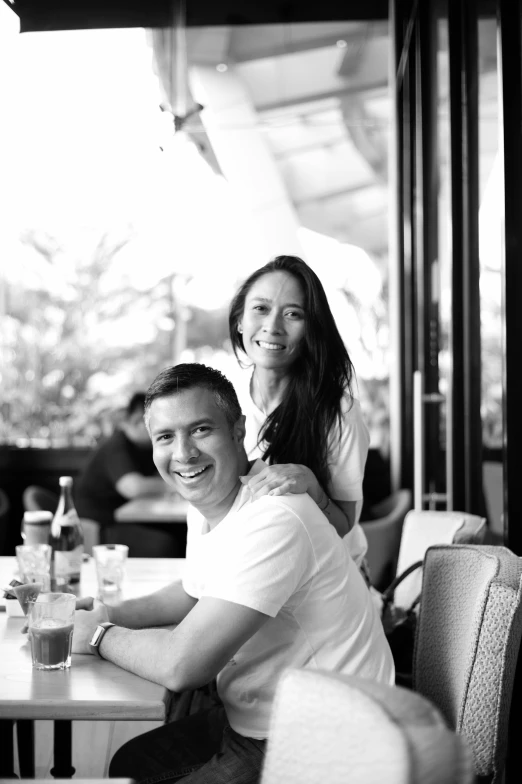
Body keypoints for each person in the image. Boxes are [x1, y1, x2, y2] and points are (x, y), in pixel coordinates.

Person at [72, 364, 394, 784]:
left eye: (201, 429)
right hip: (259, 719)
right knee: (133, 767)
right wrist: (105, 610)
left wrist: (97, 636)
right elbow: (192, 593)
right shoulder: (209, 504)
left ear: (238, 430)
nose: (184, 453)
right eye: (165, 437)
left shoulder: (276, 517)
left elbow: (182, 666)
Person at [228, 255, 370, 569]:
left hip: (327, 576)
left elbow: (345, 523)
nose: (273, 327)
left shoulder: (338, 411)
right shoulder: (223, 399)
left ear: (311, 329)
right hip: (251, 568)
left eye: (293, 314)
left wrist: (311, 484)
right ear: (240, 320)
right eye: (261, 308)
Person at [74, 392, 181, 557]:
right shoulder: (117, 446)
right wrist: (175, 485)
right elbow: (133, 487)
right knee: (167, 543)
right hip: (96, 529)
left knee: (176, 533)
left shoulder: (142, 447)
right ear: (138, 420)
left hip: (116, 520)